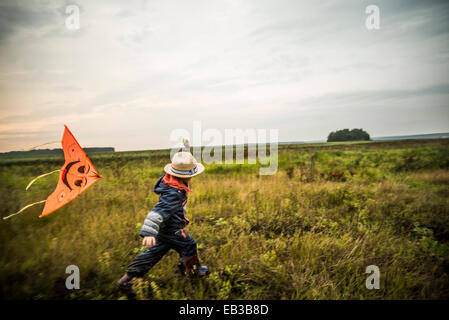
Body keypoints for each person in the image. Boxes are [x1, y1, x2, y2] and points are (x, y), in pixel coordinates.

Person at [117, 152, 209, 293]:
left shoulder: (171, 182)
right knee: (189, 244)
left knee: (153, 254)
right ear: (187, 175)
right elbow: (158, 212)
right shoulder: (174, 193)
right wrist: (148, 232)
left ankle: (127, 278)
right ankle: (191, 270)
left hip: (164, 230)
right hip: (172, 231)